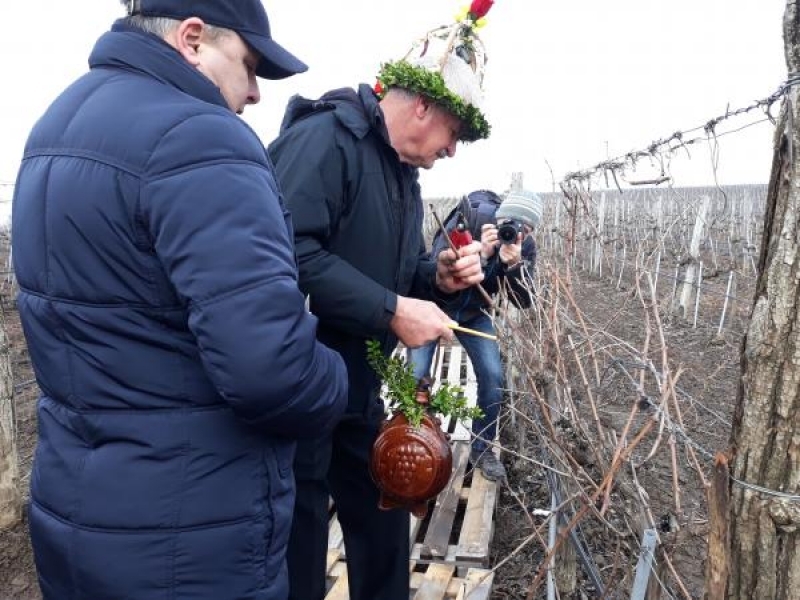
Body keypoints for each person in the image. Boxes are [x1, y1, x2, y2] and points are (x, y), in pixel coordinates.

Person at [11, 1, 348, 598]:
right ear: (193, 39)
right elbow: (271, 372)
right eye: (248, 67)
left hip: (77, 511)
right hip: (188, 536)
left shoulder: (54, 128)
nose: (254, 95)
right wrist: (335, 376)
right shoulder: (200, 136)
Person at [267, 3, 496, 599]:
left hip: (358, 383)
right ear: (422, 106)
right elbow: (283, 255)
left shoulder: (401, 175)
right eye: (454, 133)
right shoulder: (326, 141)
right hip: (299, 381)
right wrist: (392, 309)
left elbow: (392, 271)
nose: (452, 152)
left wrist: (436, 277)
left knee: (383, 515)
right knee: (301, 528)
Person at [408, 189, 541, 482]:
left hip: (475, 313)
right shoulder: (471, 218)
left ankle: (482, 450)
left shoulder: (524, 246)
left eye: (525, 228)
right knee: (414, 373)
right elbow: (437, 270)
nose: (515, 231)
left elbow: (523, 301)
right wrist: (479, 254)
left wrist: (514, 266)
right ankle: (407, 438)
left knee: (494, 376)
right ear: (500, 215)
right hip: (435, 306)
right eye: (511, 222)